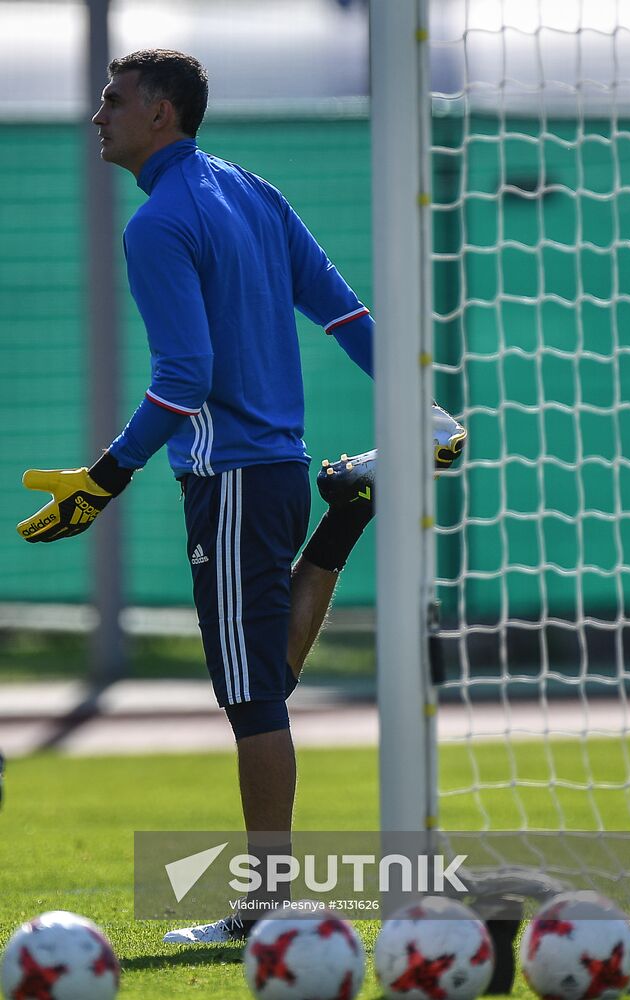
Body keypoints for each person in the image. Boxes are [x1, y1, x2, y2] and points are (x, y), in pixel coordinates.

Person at [17, 50, 466, 944]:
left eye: (113, 100)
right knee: (266, 675)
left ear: (161, 115)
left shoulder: (157, 225)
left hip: (226, 482)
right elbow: (346, 316)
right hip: (281, 474)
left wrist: (104, 478)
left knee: (252, 697)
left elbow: (185, 377)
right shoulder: (250, 190)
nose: (97, 114)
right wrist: (421, 413)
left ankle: (264, 907)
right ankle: (348, 511)